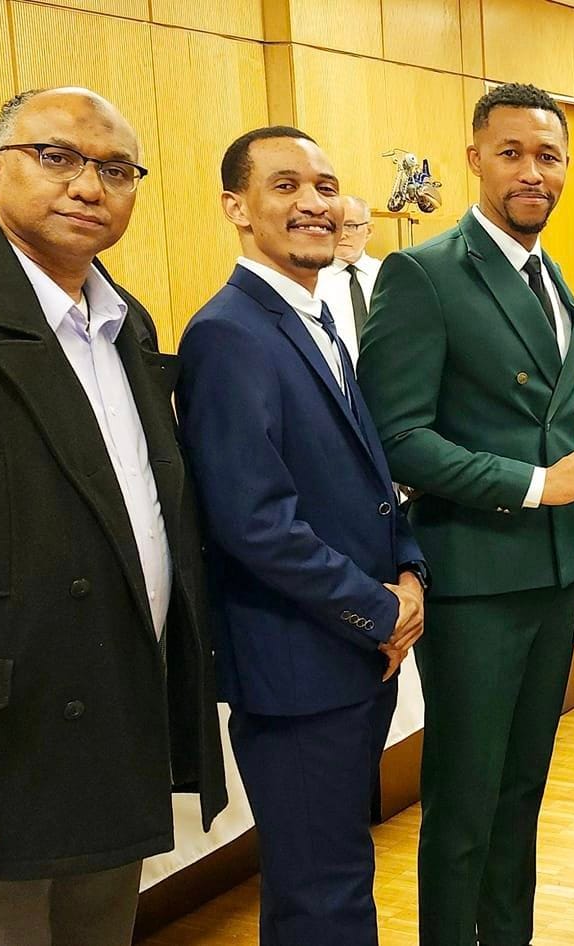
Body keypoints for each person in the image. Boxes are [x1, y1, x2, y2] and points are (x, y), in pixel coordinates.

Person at [0, 87, 225, 944]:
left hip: (107, 751)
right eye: (56, 157)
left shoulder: (124, 322)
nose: (89, 186)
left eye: (116, 169)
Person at [357, 82, 574, 946]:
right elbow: (398, 437)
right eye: (511, 153)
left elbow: (536, 390)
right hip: (474, 575)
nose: (531, 172)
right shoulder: (424, 273)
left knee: (520, 795)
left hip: (549, 574)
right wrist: (537, 482)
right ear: (475, 159)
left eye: (548, 156)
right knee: (466, 801)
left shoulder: (552, 275)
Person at [175, 126, 428, 946]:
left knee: (327, 879)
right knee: (324, 893)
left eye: (324, 185)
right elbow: (253, 521)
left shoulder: (312, 319)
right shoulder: (229, 333)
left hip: (349, 657)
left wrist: (411, 574)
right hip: (295, 666)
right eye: (285, 186)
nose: (314, 203)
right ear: (235, 207)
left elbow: (367, 477)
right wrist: (378, 610)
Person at [317, 193, 380, 358]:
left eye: (350, 226)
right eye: (335, 226)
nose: (342, 234)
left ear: (369, 231)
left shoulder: (384, 273)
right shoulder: (313, 279)